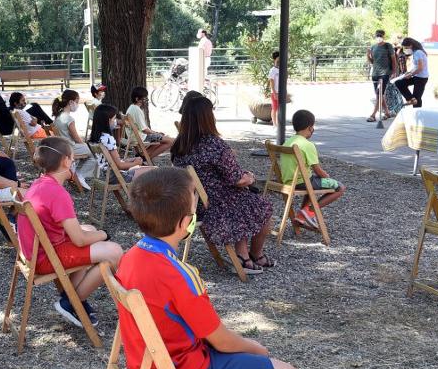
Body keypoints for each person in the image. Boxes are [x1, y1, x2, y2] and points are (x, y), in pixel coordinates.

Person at [115, 168, 300, 369]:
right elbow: (221, 340)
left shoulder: (132, 256)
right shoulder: (178, 273)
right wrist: (255, 347)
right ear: (185, 223)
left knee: (245, 360)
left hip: (149, 366)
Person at [16, 137, 122, 328]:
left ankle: (73, 298)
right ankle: (71, 301)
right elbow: (80, 240)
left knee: (89, 229)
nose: (73, 163)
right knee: (114, 251)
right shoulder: (58, 193)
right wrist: (104, 234)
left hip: (35, 252)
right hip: (47, 257)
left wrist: (94, 233)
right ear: (65, 161)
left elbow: (75, 232)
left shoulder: (40, 183)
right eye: (73, 159)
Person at [172, 96, 274, 274]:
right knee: (263, 206)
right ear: (208, 117)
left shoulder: (179, 145)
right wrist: (250, 177)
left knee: (244, 200)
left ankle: (243, 256)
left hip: (194, 203)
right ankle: (256, 255)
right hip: (217, 204)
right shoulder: (214, 145)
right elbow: (236, 179)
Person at [280, 110, 345, 226]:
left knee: (312, 186)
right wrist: (327, 177)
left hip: (287, 180)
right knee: (340, 187)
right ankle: (309, 210)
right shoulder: (307, 145)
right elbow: (317, 170)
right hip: (302, 182)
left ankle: (301, 217)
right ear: (310, 127)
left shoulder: (288, 142)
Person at [87, 104, 155, 184]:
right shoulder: (108, 139)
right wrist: (135, 163)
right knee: (155, 171)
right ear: (108, 121)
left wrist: (130, 160)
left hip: (105, 175)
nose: (115, 121)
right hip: (117, 177)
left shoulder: (96, 138)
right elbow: (119, 166)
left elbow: (111, 161)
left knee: (149, 170)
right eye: (114, 118)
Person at [51, 89, 92, 189]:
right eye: (77, 101)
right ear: (70, 102)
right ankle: (80, 174)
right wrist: (85, 145)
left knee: (88, 148)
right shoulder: (69, 119)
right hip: (69, 148)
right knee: (93, 152)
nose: (77, 104)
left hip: (62, 147)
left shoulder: (58, 116)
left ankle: (76, 171)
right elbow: (77, 138)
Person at [125, 86, 173, 159]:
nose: (146, 100)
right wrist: (156, 133)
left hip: (134, 137)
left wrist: (156, 132)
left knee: (162, 138)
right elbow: (144, 130)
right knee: (171, 141)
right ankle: (146, 158)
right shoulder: (137, 110)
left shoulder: (131, 108)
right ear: (137, 99)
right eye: (144, 98)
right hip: (141, 138)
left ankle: (145, 156)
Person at [366, 29, 398, 122]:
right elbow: (373, 62)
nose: (379, 36)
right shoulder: (373, 47)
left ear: (384, 36)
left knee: (379, 94)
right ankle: (387, 113)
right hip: (375, 74)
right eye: (377, 35)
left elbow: (393, 59)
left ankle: (373, 115)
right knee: (379, 94)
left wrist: (394, 71)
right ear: (375, 36)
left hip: (384, 73)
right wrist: (368, 55)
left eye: (380, 35)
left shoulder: (388, 46)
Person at [394, 37, 429, 108]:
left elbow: (420, 68)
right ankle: (411, 99)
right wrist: (409, 72)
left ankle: (417, 112)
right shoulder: (416, 52)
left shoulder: (418, 52)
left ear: (411, 45)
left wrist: (411, 74)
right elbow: (416, 66)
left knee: (417, 98)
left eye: (406, 47)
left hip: (421, 78)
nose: (406, 49)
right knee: (399, 83)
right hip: (417, 76)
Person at [266, 51, 280, 125]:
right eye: (278, 58)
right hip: (275, 92)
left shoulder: (282, 69)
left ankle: (278, 123)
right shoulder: (272, 70)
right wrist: (274, 93)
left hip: (281, 92)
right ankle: (275, 124)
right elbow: (271, 82)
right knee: (275, 108)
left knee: (279, 109)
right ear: (275, 59)